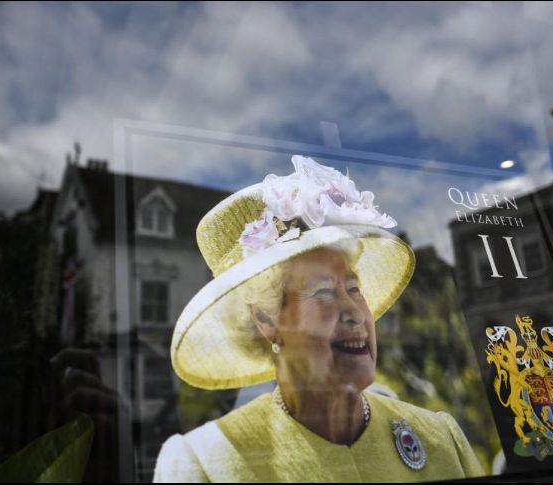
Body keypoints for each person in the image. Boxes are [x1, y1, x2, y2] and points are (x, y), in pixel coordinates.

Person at [154, 155, 484, 482]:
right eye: (323, 293)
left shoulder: (442, 439)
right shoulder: (205, 463)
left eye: (354, 289)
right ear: (267, 320)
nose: (355, 313)